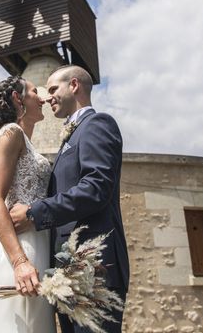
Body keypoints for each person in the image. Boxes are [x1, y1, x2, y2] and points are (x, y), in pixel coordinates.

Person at [10, 65, 130, 333]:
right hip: (67, 271)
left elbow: (95, 188)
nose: (46, 97)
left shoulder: (97, 124)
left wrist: (33, 213)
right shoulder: (73, 134)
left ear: (74, 85)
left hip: (95, 269)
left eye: (53, 89)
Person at [0, 75, 56, 333]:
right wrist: (20, 262)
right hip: (22, 248)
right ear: (18, 98)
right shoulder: (11, 132)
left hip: (39, 241)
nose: (43, 98)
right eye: (36, 92)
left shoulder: (26, 141)